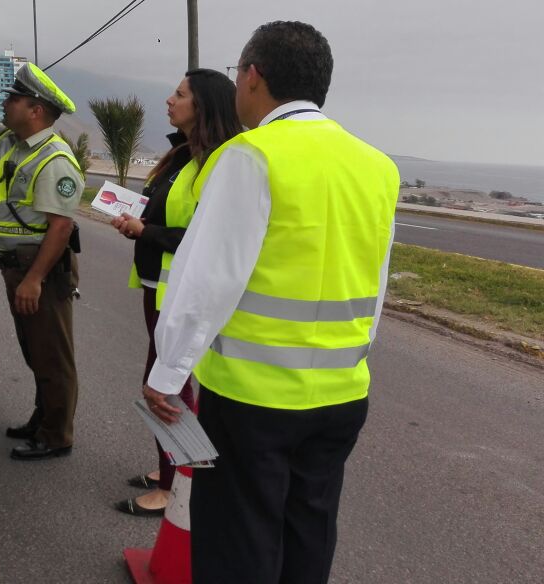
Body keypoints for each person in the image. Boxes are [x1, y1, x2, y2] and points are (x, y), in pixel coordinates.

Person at [142, 21, 399, 583]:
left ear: (253, 76)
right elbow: (375, 285)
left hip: (253, 399)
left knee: (240, 541)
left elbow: (206, 278)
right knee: (308, 532)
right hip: (341, 396)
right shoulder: (377, 166)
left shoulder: (252, 154)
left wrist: (167, 374)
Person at [110, 69, 241, 516]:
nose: (169, 100)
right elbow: (167, 221)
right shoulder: (184, 156)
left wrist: (147, 230)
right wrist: (138, 227)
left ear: (202, 106)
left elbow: (203, 238)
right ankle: (170, 469)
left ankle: (174, 488)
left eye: (180, 94)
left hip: (179, 295)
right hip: (157, 287)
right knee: (165, 384)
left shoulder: (217, 163)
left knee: (166, 389)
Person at [0, 63, 83, 461]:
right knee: (35, 350)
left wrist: (34, 279)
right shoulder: (9, 140)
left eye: (14, 99)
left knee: (53, 355)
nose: (5, 104)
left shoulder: (55, 158)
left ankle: (57, 435)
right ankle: (42, 420)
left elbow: (59, 227)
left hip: (40, 268)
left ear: (36, 110)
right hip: (15, 265)